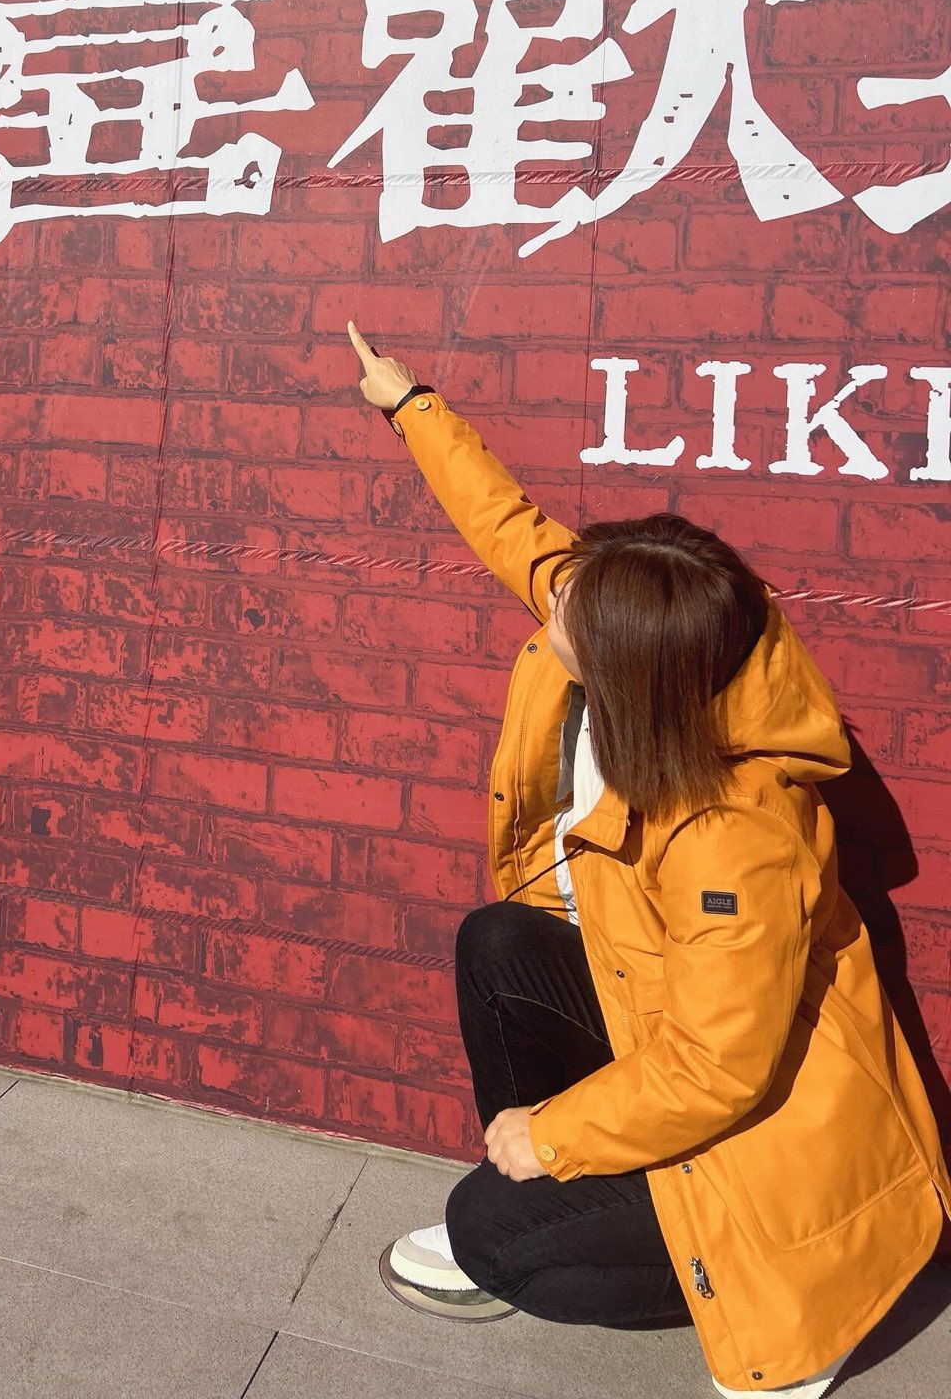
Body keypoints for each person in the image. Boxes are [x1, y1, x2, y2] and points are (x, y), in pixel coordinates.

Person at [347, 324, 951, 1399]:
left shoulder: (734, 831)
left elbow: (722, 1071)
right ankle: (576, 1178)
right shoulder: (665, 643)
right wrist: (410, 406)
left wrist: (554, 1137)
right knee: (501, 943)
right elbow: (516, 534)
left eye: (570, 610)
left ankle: (795, 1306)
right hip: (669, 1024)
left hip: (769, 1131)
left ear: (629, 667)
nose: (549, 602)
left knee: (488, 1232)